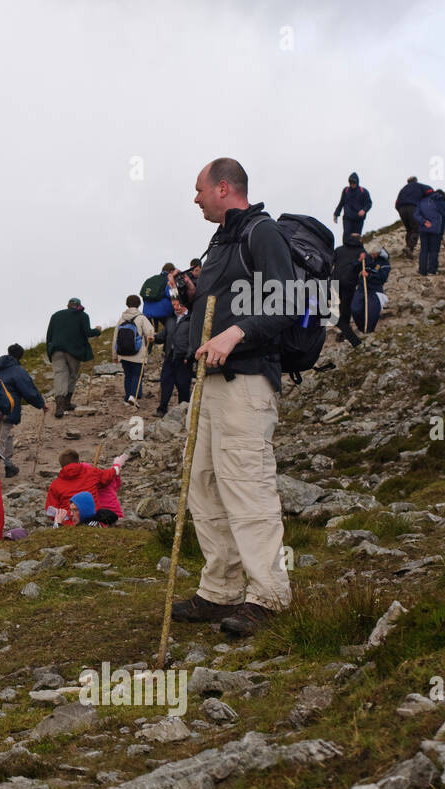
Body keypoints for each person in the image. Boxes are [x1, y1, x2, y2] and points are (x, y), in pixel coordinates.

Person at [171, 157, 296, 638]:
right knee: (204, 484)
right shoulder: (221, 239)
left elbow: (287, 300)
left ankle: (269, 596)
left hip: (245, 382)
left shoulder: (261, 233)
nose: (195, 197)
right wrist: (198, 292)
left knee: (246, 484)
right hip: (210, 383)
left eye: (199, 189)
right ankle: (219, 589)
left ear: (224, 187)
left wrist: (235, 333)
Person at [0, 344, 48, 478]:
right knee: (0, 439)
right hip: (6, 411)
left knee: (6, 436)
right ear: (21, 356)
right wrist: (41, 404)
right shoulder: (18, 371)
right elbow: (28, 391)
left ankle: (8, 465)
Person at [45, 297, 101, 417]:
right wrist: (97, 331)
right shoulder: (82, 315)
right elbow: (87, 332)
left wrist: (49, 350)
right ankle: (67, 403)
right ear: (78, 305)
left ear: (68, 305)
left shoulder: (56, 315)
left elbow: (49, 335)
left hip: (56, 350)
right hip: (74, 351)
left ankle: (59, 406)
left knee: (59, 375)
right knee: (72, 375)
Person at [45, 449, 125, 516]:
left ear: (61, 465)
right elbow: (107, 477)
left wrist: (63, 519)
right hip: (92, 520)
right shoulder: (91, 472)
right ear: (78, 461)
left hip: (69, 524)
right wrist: (116, 468)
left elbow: (50, 510)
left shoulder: (55, 485)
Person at [154, 282, 193, 416]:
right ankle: (162, 409)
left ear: (184, 305)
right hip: (170, 355)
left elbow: (193, 341)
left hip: (184, 358)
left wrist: (189, 356)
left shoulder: (191, 319)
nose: (176, 308)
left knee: (183, 385)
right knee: (165, 382)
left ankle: (184, 411)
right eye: (174, 305)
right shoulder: (170, 320)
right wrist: (154, 338)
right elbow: (163, 336)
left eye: (179, 305)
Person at [112, 294, 155, 405]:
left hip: (123, 353)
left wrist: (115, 356)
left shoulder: (121, 319)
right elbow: (150, 332)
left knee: (128, 375)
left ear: (127, 304)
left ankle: (128, 398)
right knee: (137, 375)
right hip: (137, 353)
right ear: (139, 304)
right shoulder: (141, 318)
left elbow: (115, 338)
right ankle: (133, 396)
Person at [329, 233, 365, 347]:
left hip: (335, 282)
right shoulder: (361, 251)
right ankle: (353, 339)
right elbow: (361, 267)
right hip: (349, 283)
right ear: (359, 240)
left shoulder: (339, 249)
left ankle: (343, 332)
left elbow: (330, 263)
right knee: (345, 310)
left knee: (338, 308)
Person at [416, 189, 445, 276]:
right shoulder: (439, 200)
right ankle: (432, 270)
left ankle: (422, 271)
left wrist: (423, 222)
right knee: (434, 250)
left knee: (424, 250)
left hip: (423, 229)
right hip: (435, 230)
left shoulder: (422, 201)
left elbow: (416, 215)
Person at [351, 248, 391, 332]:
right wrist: (359, 260)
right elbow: (354, 268)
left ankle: (369, 331)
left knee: (372, 313)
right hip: (362, 288)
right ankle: (361, 328)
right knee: (355, 309)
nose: (372, 256)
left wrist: (369, 275)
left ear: (379, 252)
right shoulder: (366, 258)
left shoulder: (384, 262)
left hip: (375, 290)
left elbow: (383, 278)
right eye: (371, 254)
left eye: (374, 254)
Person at [395, 176, 430, 259]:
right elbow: (430, 191)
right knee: (416, 229)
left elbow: (396, 203)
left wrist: (400, 210)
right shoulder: (420, 186)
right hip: (413, 208)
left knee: (409, 230)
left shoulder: (403, 190)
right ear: (416, 180)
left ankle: (408, 248)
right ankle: (409, 248)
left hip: (402, 210)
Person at [333, 172, 372, 239]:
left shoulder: (363, 191)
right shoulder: (346, 191)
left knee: (356, 238)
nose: (352, 184)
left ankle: (355, 249)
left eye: (354, 182)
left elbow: (369, 203)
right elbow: (341, 203)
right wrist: (336, 214)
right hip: (347, 218)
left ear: (357, 182)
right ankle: (345, 249)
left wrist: (364, 210)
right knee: (346, 236)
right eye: (351, 182)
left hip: (358, 219)